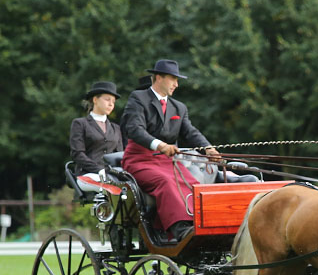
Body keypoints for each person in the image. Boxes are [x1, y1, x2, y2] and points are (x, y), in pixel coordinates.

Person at [120, 59, 221, 241]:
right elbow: (135, 129)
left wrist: (208, 149)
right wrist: (159, 145)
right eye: (173, 79)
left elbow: (190, 132)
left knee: (192, 184)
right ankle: (179, 228)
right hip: (139, 159)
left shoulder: (179, 107)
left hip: (167, 161)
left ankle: (198, 223)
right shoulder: (138, 98)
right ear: (158, 78)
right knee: (166, 181)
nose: (177, 84)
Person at [69, 81, 124, 192]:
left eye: (113, 101)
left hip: (111, 175)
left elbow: (119, 156)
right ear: (95, 100)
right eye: (107, 99)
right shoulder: (80, 124)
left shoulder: (115, 128)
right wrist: (98, 169)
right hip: (87, 174)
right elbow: (77, 154)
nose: (111, 104)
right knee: (113, 189)